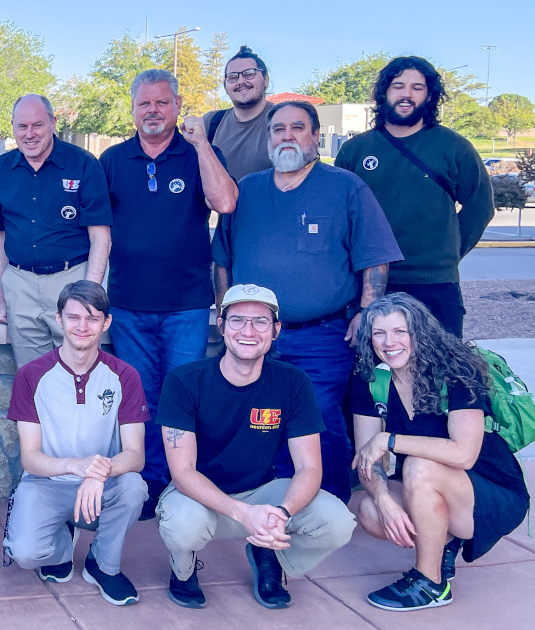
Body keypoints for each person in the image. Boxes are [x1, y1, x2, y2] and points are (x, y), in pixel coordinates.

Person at [213, 101, 403, 502]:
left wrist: (367, 314)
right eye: (278, 129)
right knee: (258, 419)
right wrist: (224, 313)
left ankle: (328, 502)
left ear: (316, 136)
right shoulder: (246, 189)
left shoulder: (345, 187)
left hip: (322, 335)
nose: (287, 136)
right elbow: (222, 260)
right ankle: (269, 499)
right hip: (255, 334)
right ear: (268, 139)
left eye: (297, 127)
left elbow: (375, 256)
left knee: (318, 418)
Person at [156, 284, 355, 610]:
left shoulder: (293, 382)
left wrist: (282, 513)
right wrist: (243, 514)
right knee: (182, 525)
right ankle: (183, 569)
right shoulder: (184, 381)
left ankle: (271, 554)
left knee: (337, 522)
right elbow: (182, 472)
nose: (248, 331)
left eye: (261, 322)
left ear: (276, 330)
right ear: (220, 326)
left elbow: (310, 467)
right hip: (199, 496)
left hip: (264, 494)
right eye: (237, 320)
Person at [100, 69, 237, 519]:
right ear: (134, 109)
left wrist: (201, 147)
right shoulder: (114, 160)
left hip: (186, 305)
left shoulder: (198, 153)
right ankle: (152, 482)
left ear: (177, 106)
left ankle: (186, 483)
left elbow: (225, 203)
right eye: (145, 104)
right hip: (128, 303)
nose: (153, 111)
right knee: (142, 399)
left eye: (162, 103)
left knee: (184, 397)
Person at [350, 293, 529, 611]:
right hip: (432, 485)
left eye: (400, 331)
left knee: (419, 466)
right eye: (379, 333)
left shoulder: (457, 371)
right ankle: (444, 543)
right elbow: (369, 461)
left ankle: (430, 583)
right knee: (370, 511)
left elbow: (464, 455)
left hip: (489, 490)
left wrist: (389, 440)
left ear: (419, 332)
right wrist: (383, 500)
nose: (389, 342)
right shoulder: (370, 378)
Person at [2, 280, 150, 606]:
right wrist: (74, 466)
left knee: (134, 486)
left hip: (103, 487)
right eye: (74, 317)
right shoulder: (31, 375)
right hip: (48, 482)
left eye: (93, 318)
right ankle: (62, 542)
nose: (82, 326)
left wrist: (97, 472)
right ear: (59, 319)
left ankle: (103, 565)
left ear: (106, 322)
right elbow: (30, 457)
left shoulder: (124, 375)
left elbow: (136, 455)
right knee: (26, 553)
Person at [335, 56, 493, 337]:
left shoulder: (454, 147)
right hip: (370, 285)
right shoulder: (355, 150)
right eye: (398, 86)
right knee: (374, 371)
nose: (406, 94)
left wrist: (447, 254)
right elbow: (340, 217)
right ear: (384, 93)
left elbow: (480, 207)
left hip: (434, 285)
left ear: (430, 95)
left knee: (441, 371)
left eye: (417, 87)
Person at [0, 94, 112, 367]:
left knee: (81, 372)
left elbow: (100, 235)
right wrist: (1, 298)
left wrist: (89, 295)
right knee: (33, 377)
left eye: (37, 125)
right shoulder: (2, 168)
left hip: (71, 280)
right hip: (20, 286)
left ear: (53, 123)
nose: (29, 134)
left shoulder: (83, 164)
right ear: (12, 127)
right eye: (22, 126)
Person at [202, 46, 274, 181]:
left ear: (266, 79)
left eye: (249, 73)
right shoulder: (210, 123)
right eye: (232, 77)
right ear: (225, 86)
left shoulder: (282, 120)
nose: (241, 81)